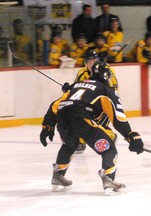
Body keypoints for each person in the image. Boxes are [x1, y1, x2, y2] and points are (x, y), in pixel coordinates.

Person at [40, 61, 144, 195]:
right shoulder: (106, 89)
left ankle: (58, 175)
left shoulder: (76, 85)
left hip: (62, 120)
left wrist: (47, 126)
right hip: (81, 119)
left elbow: (55, 105)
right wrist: (131, 135)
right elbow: (117, 118)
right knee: (109, 148)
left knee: (70, 145)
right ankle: (108, 179)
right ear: (107, 75)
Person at [69, 49, 119, 154]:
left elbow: (113, 91)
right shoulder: (81, 73)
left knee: (95, 127)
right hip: (88, 106)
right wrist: (69, 89)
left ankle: (110, 136)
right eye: (89, 62)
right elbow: (77, 90)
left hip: (105, 105)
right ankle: (81, 142)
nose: (92, 65)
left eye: (94, 62)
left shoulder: (106, 70)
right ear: (85, 63)